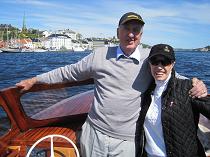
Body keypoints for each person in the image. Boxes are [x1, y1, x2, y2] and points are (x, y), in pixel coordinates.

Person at [16, 12, 207, 157]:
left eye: (136, 30)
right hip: (94, 133)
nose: (131, 34)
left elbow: (170, 74)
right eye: (127, 29)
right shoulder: (99, 55)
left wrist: (196, 83)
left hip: (126, 141)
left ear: (141, 35)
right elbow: (68, 72)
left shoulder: (149, 59)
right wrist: (35, 80)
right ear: (118, 32)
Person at [140, 44, 210, 157]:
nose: (159, 66)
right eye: (155, 61)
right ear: (149, 64)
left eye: (165, 61)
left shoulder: (188, 87)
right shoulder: (146, 92)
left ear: (172, 64)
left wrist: (200, 86)